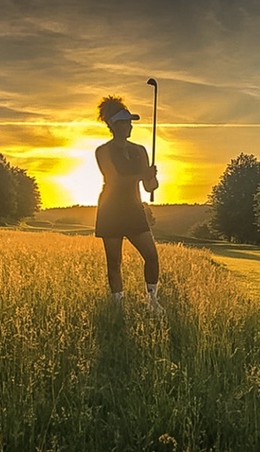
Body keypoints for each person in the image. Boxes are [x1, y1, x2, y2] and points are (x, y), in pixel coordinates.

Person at [94, 95, 162, 312]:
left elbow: (149, 187)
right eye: (126, 122)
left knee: (151, 256)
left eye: (130, 122)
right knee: (114, 262)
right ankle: (118, 307)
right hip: (110, 210)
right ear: (115, 125)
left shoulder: (140, 150)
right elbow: (114, 180)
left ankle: (152, 302)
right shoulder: (103, 151)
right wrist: (142, 174)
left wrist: (152, 178)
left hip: (134, 209)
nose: (130, 126)